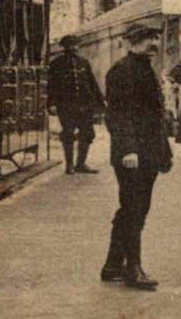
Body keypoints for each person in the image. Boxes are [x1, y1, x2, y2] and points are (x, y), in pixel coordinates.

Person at [102, 24, 173, 291]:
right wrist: (129, 149)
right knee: (134, 209)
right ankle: (133, 268)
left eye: (156, 38)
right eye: (147, 39)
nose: (154, 43)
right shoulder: (122, 71)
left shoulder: (145, 69)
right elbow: (118, 115)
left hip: (149, 152)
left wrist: (163, 151)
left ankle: (112, 265)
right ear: (132, 42)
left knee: (133, 208)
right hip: (132, 154)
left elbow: (155, 116)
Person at [47, 33, 102, 175]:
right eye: (70, 45)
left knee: (87, 133)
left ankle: (81, 164)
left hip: (85, 104)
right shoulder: (56, 64)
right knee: (68, 133)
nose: (73, 48)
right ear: (64, 47)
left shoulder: (84, 62)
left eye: (75, 45)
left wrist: (101, 101)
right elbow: (51, 86)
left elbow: (92, 83)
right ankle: (69, 165)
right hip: (66, 105)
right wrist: (51, 103)